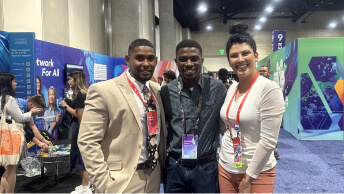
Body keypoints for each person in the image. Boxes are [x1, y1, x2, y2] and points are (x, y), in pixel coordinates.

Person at [78, 38, 166, 193]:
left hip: (153, 176)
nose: (146, 63)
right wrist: (103, 183)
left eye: (150, 59)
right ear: (128, 60)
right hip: (121, 180)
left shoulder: (157, 90)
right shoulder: (103, 90)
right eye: (139, 58)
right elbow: (88, 141)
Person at [218, 22, 285, 193]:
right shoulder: (232, 87)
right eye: (234, 56)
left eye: (245, 53)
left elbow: (269, 141)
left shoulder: (269, 89)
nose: (240, 59)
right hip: (226, 167)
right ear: (229, 61)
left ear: (255, 56)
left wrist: (248, 179)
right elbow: (229, 126)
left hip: (257, 173)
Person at [160, 39, 227, 193]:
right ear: (176, 62)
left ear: (201, 61)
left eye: (194, 58)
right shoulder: (166, 92)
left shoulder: (217, 88)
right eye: (183, 59)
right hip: (175, 165)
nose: (189, 63)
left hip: (205, 167)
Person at [0, 72, 42, 193]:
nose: (16, 83)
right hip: (11, 137)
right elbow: (20, 118)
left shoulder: (2, 98)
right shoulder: (9, 99)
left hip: (4, 136)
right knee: (11, 168)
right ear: (8, 83)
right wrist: (31, 113)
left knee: (8, 168)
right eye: (14, 81)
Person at [60, 71, 90, 194]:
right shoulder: (80, 95)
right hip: (79, 128)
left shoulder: (81, 95)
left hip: (80, 129)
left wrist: (65, 106)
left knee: (81, 156)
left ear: (76, 80)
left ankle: (85, 186)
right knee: (79, 156)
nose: (69, 81)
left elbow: (80, 116)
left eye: (70, 79)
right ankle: (85, 185)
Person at [259, 65, 281, 160]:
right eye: (260, 71)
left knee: (272, 132)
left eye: (264, 71)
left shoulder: (273, 85)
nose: (262, 73)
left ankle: (274, 151)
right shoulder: (256, 85)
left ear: (268, 73)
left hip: (270, 112)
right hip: (259, 112)